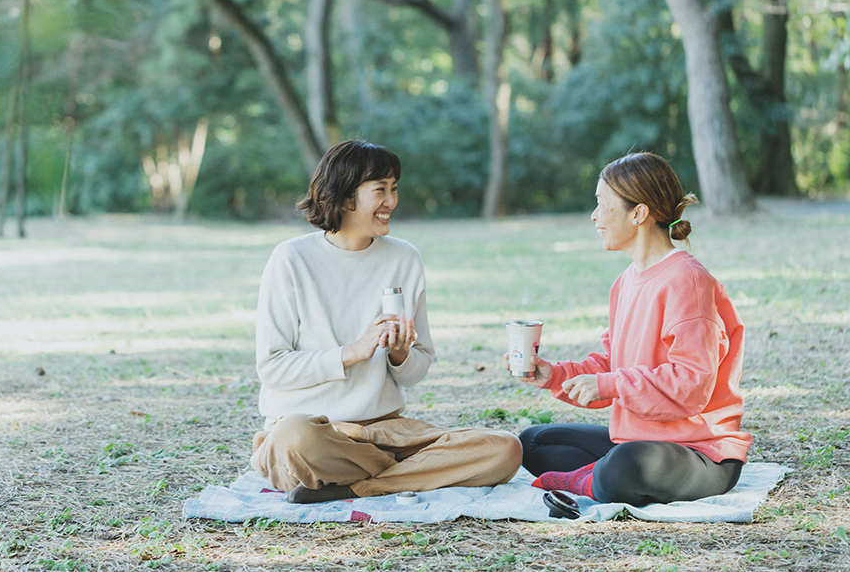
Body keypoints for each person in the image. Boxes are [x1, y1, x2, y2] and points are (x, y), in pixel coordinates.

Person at [252, 140, 522, 503]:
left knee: (504, 449)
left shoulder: (404, 258)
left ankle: (357, 486)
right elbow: (273, 367)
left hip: (385, 432)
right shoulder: (291, 259)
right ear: (346, 197)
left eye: (394, 188)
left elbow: (414, 371)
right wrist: (352, 352)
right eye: (381, 189)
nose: (392, 201)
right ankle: (406, 474)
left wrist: (399, 355)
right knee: (294, 439)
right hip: (316, 434)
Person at [516, 152, 752, 507]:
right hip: (637, 439)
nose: (594, 216)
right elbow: (613, 367)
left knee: (628, 465)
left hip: (699, 453)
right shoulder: (624, 283)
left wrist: (609, 384)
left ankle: (594, 479)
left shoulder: (688, 281)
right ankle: (597, 476)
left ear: (638, 214)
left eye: (601, 204)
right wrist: (554, 375)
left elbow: (691, 386)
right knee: (532, 443)